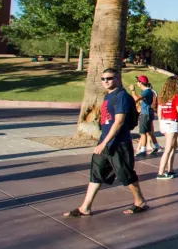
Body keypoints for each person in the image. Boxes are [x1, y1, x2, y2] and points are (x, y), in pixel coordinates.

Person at [64, 68, 149, 217]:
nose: (105, 81)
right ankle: (85, 207)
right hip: (104, 142)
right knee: (96, 174)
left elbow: (119, 121)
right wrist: (102, 142)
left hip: (119, 144)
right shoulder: (108, 97)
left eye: (109, 78)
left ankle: (140, 202)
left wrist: (105, 143)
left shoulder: (121, 96)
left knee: (125, 175)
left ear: (117, 79)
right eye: (103, 79)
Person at [132, 75, 161, 157]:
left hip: (145, 114)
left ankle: (143, 150)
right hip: (148, 113)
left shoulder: (146, 91)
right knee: (149, 132)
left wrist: (133, 90)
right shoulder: (147, 91)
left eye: (137, 81)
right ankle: (156, 146)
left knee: (142, 132)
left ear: (141, 82)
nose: (136, 83)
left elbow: (135, 99)